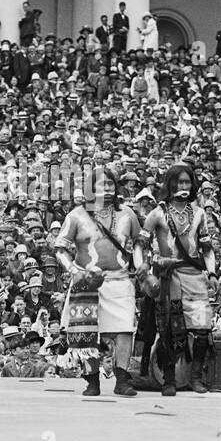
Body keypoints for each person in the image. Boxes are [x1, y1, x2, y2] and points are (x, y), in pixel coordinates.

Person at [54, 165, 144, 397]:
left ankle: (122, 379)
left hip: (120, 280)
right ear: (90, 189)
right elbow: (60, 248)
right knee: (87, 334)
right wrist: (75, 271)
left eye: (111, 184)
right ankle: (92, 381)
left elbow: (138, 242)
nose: (108, 188)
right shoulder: (76, 216)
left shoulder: (127, 214)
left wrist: (141, 264)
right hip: (87, 283)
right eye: (102, 184)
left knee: (125, 329)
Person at [139, 162, 216, 397]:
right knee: (168, 329)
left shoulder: (200, 213)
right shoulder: (158, 213)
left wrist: (212, 273)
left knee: (202, 328)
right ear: (170, 184)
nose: (183, 186)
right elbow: (140, 244)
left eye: (187, 182)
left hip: (194, 276)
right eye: (178, 182)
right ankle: (169, 379)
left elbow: (207, 249)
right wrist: (144, 265)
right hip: (168, 277)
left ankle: (195, 378)